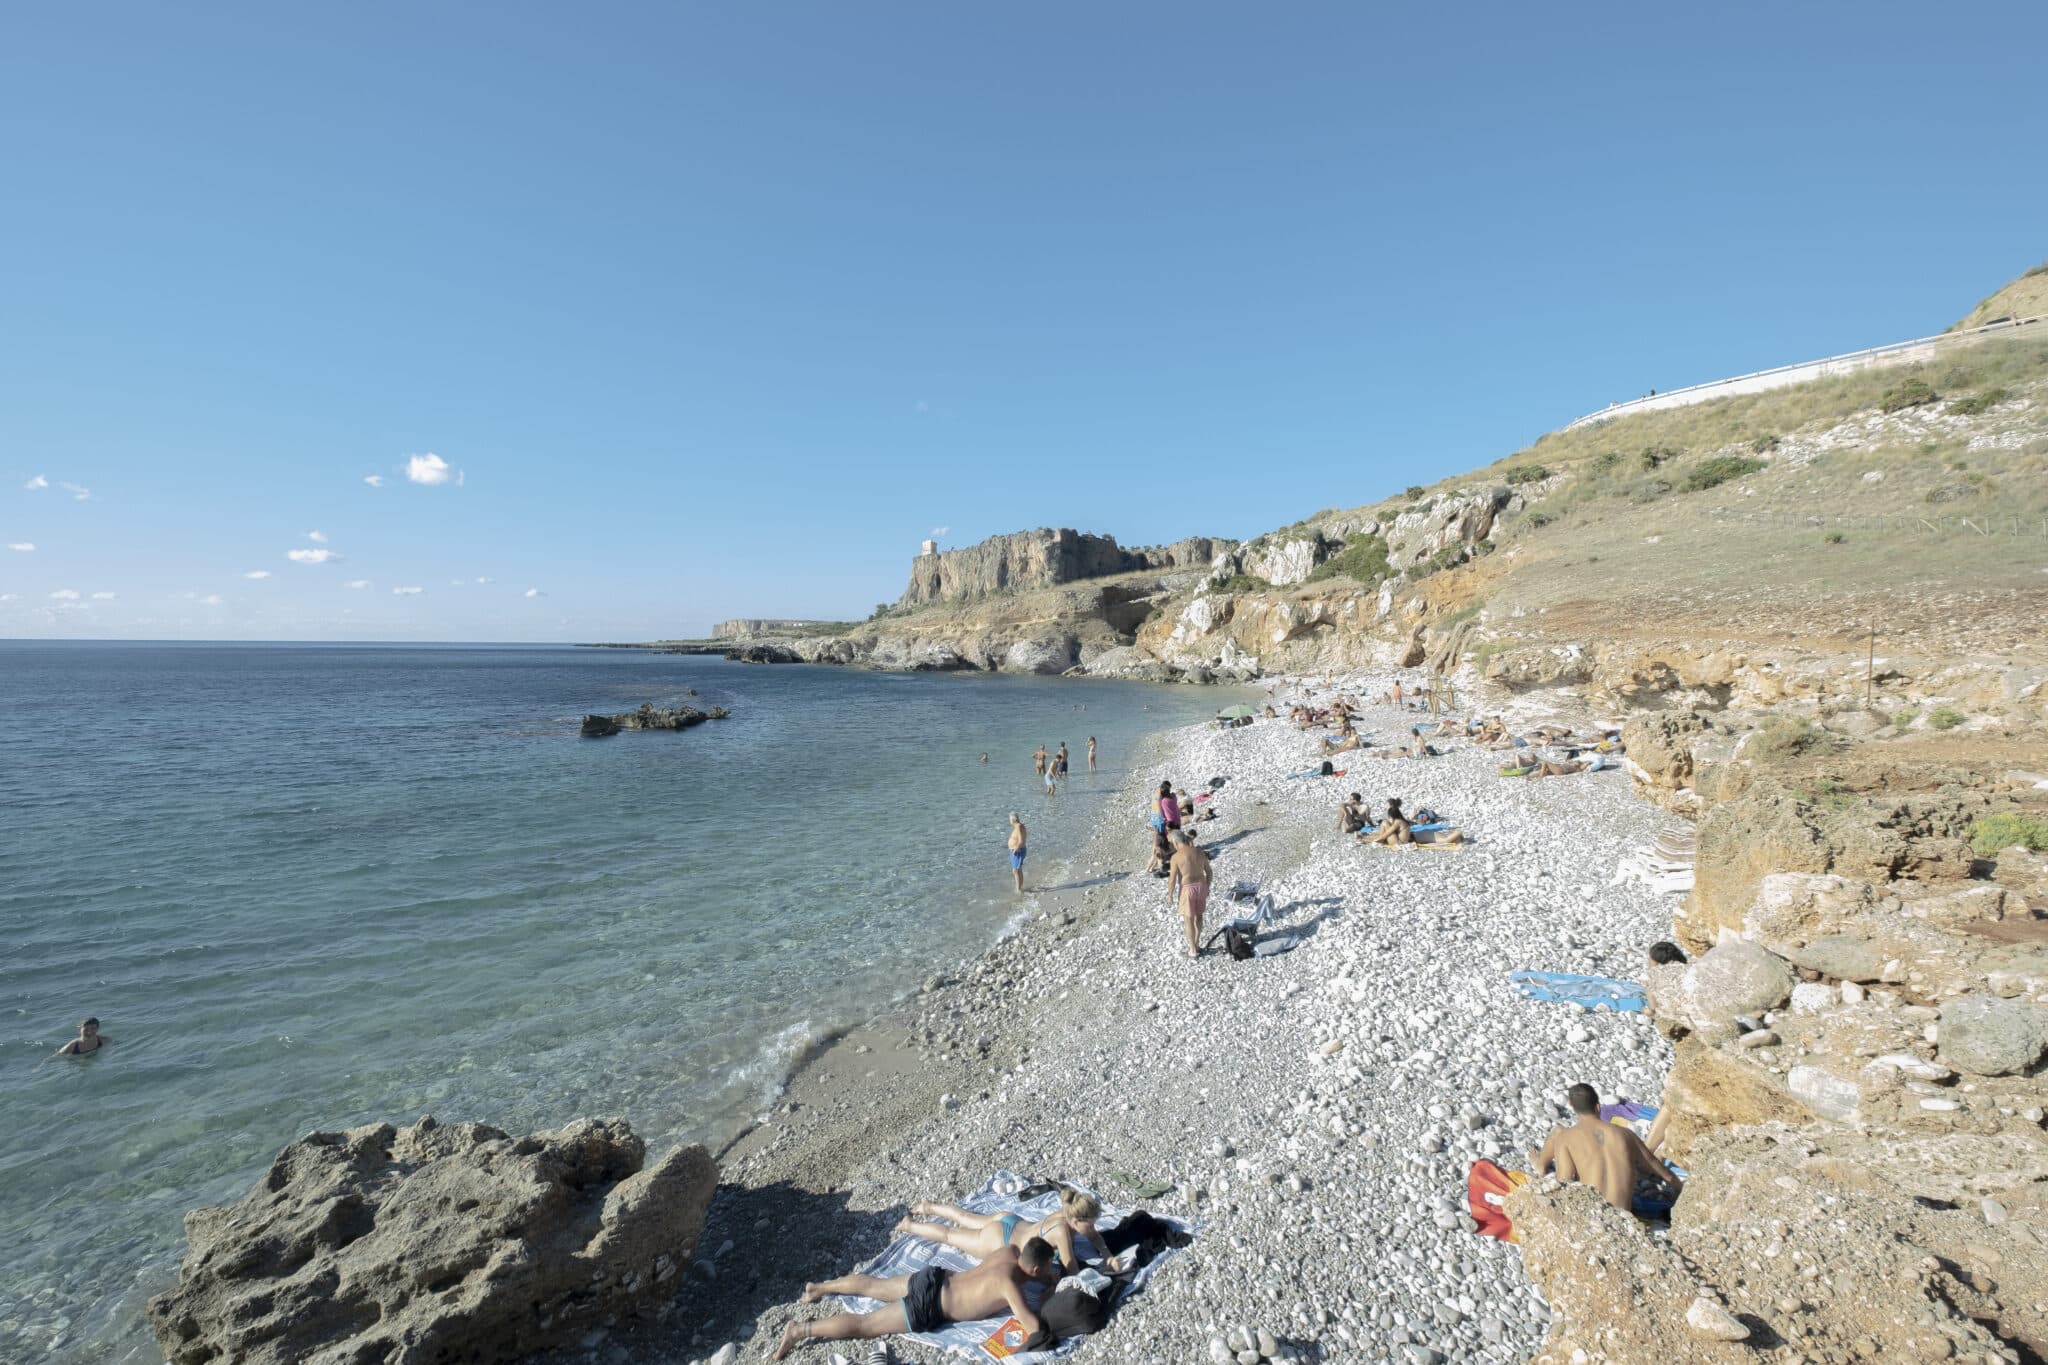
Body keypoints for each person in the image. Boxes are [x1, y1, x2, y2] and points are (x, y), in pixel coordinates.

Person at [773, 1239, 1058, 1360]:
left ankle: (819, 1288)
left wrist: (1037, 1275)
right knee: (865, 1324)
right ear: (1034, 1269)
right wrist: (1046, 1294)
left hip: (933, 1277)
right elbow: (1032, 1327)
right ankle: (799, 1330)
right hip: (930, 1306)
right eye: (1045, 1269)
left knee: (874, 1286)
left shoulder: (1009, 1251)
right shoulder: (1008, 1285)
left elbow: (1021, 1266)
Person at [1527, 1083, 1681, 1213]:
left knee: (1558, 1131)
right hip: (1625, 1216)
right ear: (1598, 1107)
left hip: (1596, 1213)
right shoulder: (1626, 1134)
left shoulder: (1565, 1138)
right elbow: (1664, 1173)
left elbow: (1564, 1181)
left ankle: (1541, 1164)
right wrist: (1679, 1189)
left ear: (1572, 1107)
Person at [895, 1189, 1112, 1273]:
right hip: (1001, 1240)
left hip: (1011, 1221)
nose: (1093, 1228)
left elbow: (1094, 1236)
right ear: (1077, 1219)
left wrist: (1107, 1254)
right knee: (949, 1235)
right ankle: (909, 1225)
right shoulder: (1062, 1231)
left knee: (964, 1217)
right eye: (1090, 1223)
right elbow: (1071, 1268)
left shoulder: (1066, 1211)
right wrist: (1104, 1270)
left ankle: (927, 1207)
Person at [1167, 829, 1214, 958]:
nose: (1172, 846)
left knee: (1188, 919)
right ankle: (1197, 944)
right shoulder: (1199, 852)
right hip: (1201, 886)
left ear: (1176, 842)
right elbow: (1209, 872)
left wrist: (1170, 894)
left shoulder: (1176, 857)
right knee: (1199, 916)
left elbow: (1172, 879)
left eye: (1172, 843)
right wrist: (1207, 886)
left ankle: (1192, 950)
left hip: (1187, 889)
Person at [1007, 812, 1028, 893]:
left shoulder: (1019, 826)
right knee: (1018, 870)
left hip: (1018, 850)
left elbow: (1021, 840)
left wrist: (1016, 849)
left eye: (1010, 819)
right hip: (1018, 849)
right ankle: (1020, 888)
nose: (1009, 821)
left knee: (1015, 871)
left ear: (1013, 819)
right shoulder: (1019, 826)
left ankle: (1018, 889)